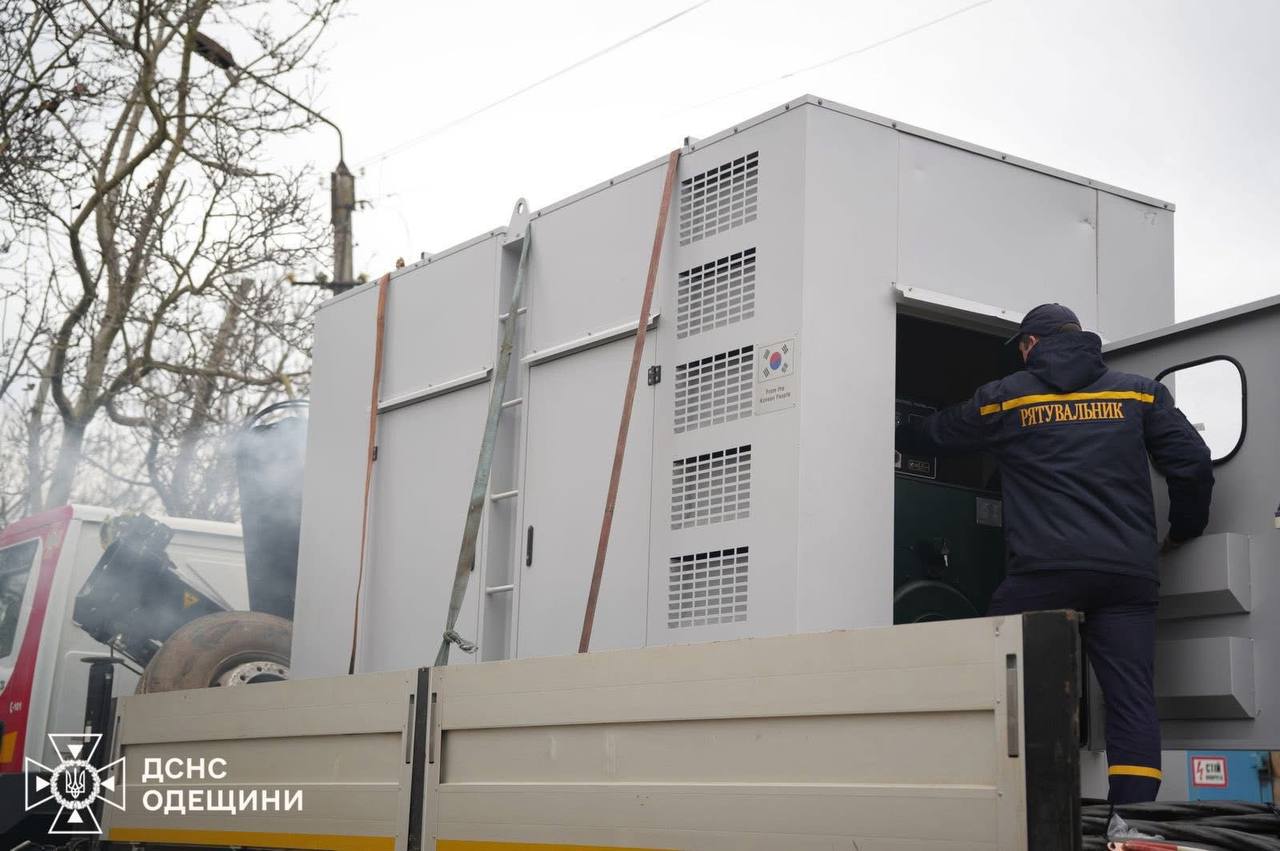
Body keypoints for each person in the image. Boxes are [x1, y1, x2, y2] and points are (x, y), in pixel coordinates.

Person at [896, 303, 1213, 807]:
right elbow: (1192, 462)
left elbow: (939, 433)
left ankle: (993, 800)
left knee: (996, 676)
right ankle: (1130, 820)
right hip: (1125, 577)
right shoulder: (1138, 393)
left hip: (1043, 574)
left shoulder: (1006, 397)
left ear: (1030, 345)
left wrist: (894, 430)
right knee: (1131, 699)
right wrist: (1183, 531)